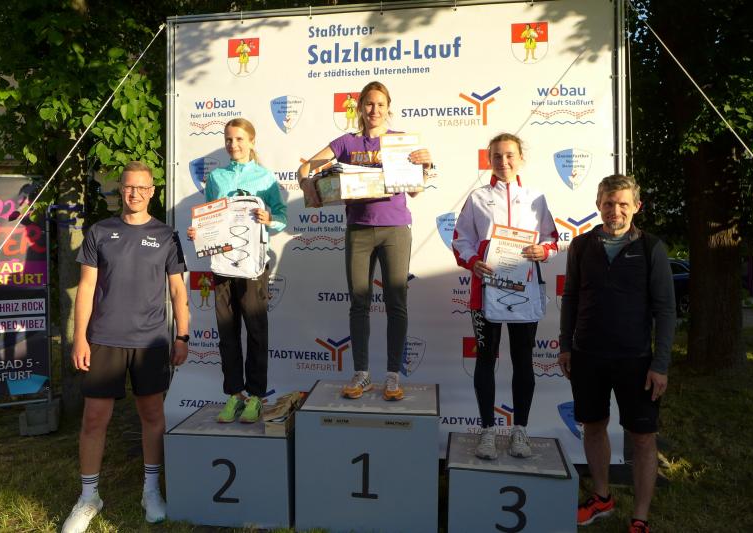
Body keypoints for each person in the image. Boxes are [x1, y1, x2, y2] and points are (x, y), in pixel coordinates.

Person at [62, 161, 189, 533]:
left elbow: (178, 289)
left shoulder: (167, 235)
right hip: (104, 339)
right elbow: (87, 288)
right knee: (94, 419)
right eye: (128, 187)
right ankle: (89, 497)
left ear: (152, 192)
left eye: (141, 188)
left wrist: (182, 336)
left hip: (150, 342)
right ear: (121, 190)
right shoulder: (100, 231)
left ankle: (151, 491)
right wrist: (80, 337)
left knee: (152, 416)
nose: (134, 193)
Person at [298, 80, 434, 401]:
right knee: (359, 304)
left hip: (395, 229)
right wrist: (307, 184)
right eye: (369, 104)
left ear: (389, 108)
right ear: (360, 107)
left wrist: (424, 166)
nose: (375, 110)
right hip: (358, 229)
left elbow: (416, 190)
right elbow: (305, 168)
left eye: (381, 105)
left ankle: (393, 376)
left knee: (396, 303)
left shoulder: (401, 142)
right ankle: (361, 374)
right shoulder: (346, 142)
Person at [558, 174, 675, 533]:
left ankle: (640, 517)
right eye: (609, 203)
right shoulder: (581, 246)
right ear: (598, 205)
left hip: (636, 361)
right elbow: (571, 298)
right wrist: (566, 345)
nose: (615, 210)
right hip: (587, 356)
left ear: (637, 206)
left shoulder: (652, 247)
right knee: (594, 427)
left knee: (642, 437)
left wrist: (660, 364)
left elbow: (666, 310)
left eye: (623, 204)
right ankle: (602, 497)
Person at [452, 133, 558, 460]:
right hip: (486, 290)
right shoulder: (477, 198)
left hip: (524, 291)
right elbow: (460, 239)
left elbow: (552, 239)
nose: (504, 162)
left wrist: (543, 250)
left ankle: (519, 431)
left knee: (523, 360)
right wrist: (473, 261)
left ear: (521, 158)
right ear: (489, 160)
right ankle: (487, 431)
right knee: (486, 359)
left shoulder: (536, 198)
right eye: (497, 156)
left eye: (510, 155)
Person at [187, 117, 287, 424]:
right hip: (223, 265)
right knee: (227, 333)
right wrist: (198, 233)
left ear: (252, 141)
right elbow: (208, 220)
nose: (234, 145)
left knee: (256, 332)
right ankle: (234, 394)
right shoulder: (217, 178)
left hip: (254, 265)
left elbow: (281, 217)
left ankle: (255, 396)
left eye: (240, 139)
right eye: (229, 139)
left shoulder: (265, 177)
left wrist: (269, 219)